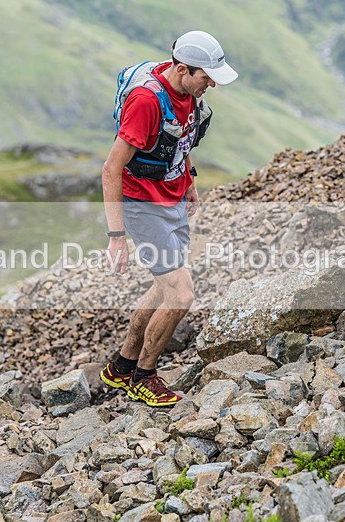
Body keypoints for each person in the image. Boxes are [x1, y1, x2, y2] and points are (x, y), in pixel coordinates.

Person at [99, 31, 238, 407]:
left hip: (172, 198)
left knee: (164, 288)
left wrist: (188, 179)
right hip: (143, 205)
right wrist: (117, 237)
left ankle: (121, 365)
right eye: (206, 76)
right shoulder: (146, 102)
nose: (211, 83)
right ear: (181, 69)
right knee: (181, 294)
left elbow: (180, 139)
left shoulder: (188, 93)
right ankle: (144, 377)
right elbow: (111, 170)